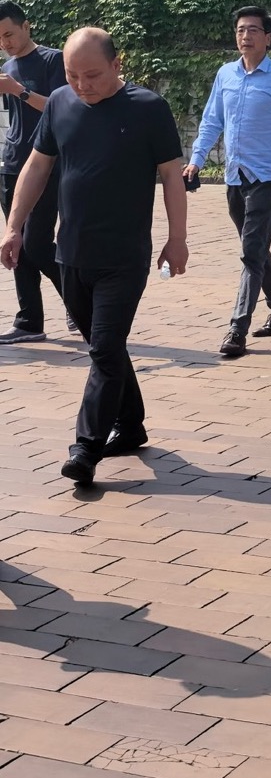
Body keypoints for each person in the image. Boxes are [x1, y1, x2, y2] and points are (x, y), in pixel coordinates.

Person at [1, 29, 187, 485]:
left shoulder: (148, 108)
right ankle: (132, 424)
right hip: (71, 252)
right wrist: (14, 226)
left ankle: (85, 449)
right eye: (72, 75)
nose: (82, 85)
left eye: (93, 75)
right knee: (106, 346)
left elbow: (171, 175)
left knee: (103, 348)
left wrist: (177, 237)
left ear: (116, 65)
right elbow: (38, 165)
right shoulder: (60, 103)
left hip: (124, 255)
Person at [185, 7, 271, 359]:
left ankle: (238, 328)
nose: (245, 36)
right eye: (240, 30)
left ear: (268, 37)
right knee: (256, 248)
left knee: (251, 252)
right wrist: (197, 159)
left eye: (252, 30)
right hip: (235, 177)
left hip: (267, 178)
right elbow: (212, 120)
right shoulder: (226, 74)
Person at [0, 2, 68, 344]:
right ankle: (29, 321)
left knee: (38, 245)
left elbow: (60, 108)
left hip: (45, 165)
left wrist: (19, 90)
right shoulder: (7, 66)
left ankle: (77, 298)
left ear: (27, 26)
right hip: (12, 164)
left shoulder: (54, 61)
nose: (5, 43)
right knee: (16, 245)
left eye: (9, 34)